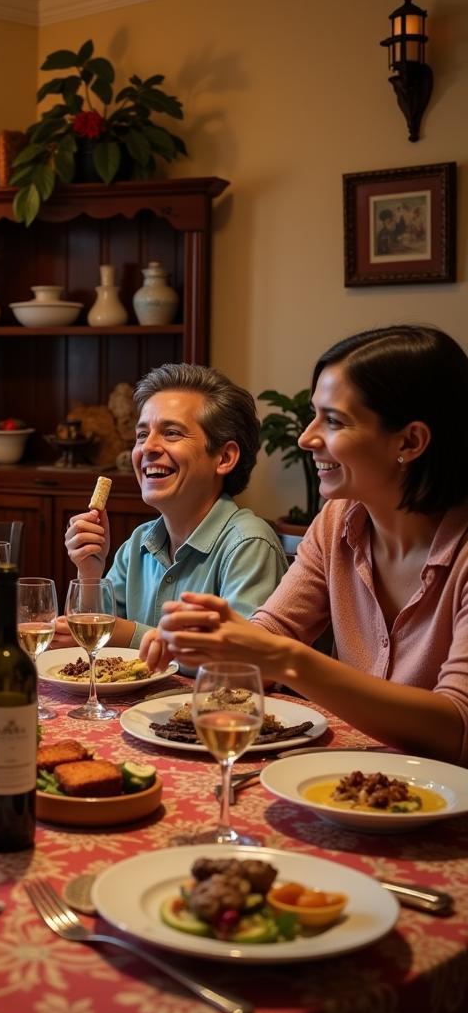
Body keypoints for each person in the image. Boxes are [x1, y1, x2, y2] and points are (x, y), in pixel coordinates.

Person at [148, 326, 468, 765]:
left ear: (409, 441)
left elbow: (457, 729)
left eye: (333, 420)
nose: (306, 437)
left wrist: (287, 660)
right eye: (314, 414)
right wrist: (217, 637)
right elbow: (272, 633)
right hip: (352, 785)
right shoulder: (337, 522)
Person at [56, 363, 287, 648]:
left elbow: (244, 661)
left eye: (172, 433)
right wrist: (90, 573)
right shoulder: (138, 544)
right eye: (142, 435)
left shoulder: (249, 544)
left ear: (225, 458)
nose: (147, 448)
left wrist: (131, 635)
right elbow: (95, 650)